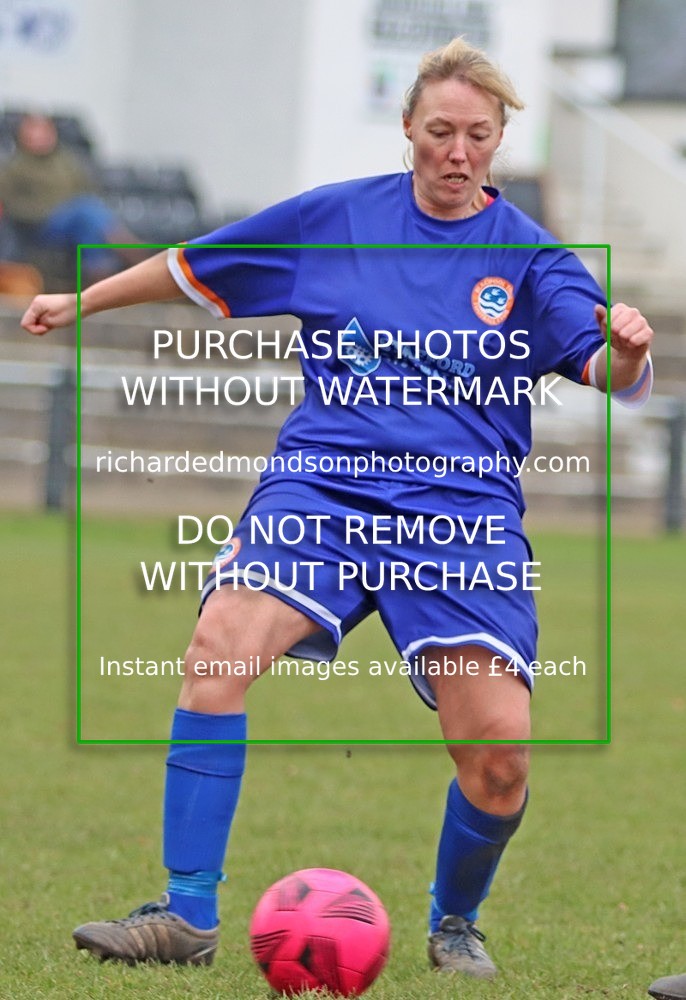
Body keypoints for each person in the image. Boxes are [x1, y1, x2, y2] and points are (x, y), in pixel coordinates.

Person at [21, 37, 654, 980]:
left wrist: (632, 349)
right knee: (219, 643)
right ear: (408, 128)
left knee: (502, 760)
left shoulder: (530, 257)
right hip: (323, 486)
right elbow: (199, 264)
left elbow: (604, 367)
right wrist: (83, 301)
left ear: (499, 140)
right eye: (439, 130)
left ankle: (455, 923)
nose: (456, 150)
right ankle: (186, 914)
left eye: (477, 135)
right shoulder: (336, 218)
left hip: (459, 515)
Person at [0, 113, 144, 281]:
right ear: (23, 135)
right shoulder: (14, 167)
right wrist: (52, 209)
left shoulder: (66, 161)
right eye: (33, 131)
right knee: (86, 212)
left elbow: (89, 189)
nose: (40, 136)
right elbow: (11, 204)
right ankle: (137, 259)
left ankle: (100, 276)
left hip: (74, 220)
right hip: (39, 224)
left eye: (44, 130)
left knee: (88, 222)